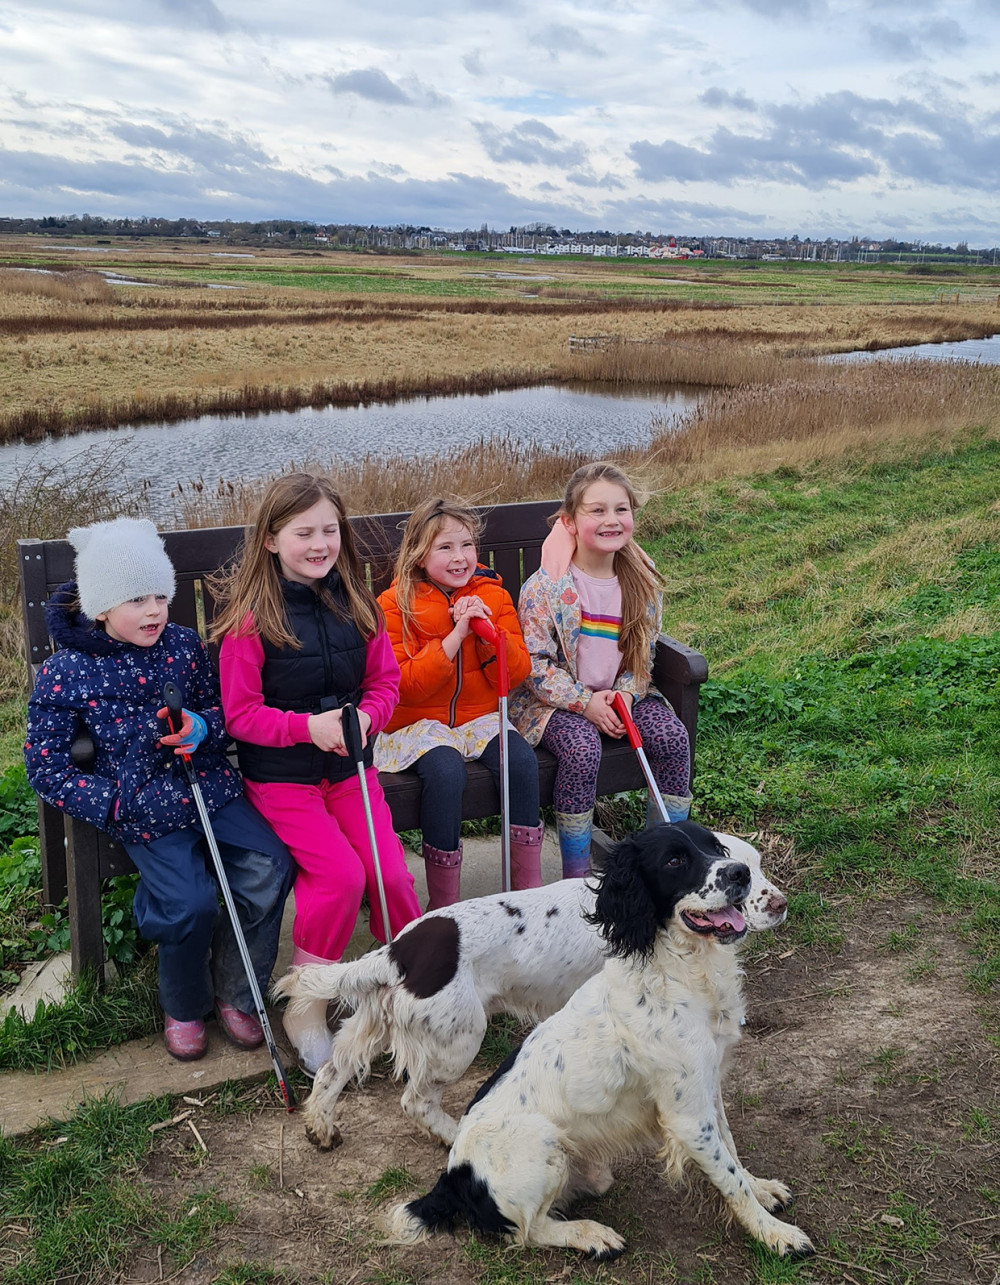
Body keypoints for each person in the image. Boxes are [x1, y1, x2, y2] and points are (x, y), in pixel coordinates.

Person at [24, 517, 294, 1063]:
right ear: (101, 608)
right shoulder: (66, 671)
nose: (153, 610)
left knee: (270, 862)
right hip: (142, 805)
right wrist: (111, 801)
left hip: (208, 788)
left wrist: (204, 729)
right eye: (135, 599)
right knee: (189, 903)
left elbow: (223, 711)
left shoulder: (184, 645)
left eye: (159, 596)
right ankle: (185, 1004)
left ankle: (237, 992)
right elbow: (45, 764)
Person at [211, 472, 421, 1074]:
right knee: (339, 876)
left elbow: (386, 682)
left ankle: (403, 988)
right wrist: (310, 727)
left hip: (352, 772)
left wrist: (366, 718)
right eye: (304, 532)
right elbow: (241, 715)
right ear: (272, 540)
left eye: (329, 530)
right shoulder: (253, 619)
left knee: (390, 876)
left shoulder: (358, 603)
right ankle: (306, 1002)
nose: (319, 543)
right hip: (283, 780)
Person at [511, 461, 692, 878]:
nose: (611, 520)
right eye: (597, 511)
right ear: (569, 522)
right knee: (582, 748)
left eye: (621, 509)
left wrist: (627, 693)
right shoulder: (545, 588)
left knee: (671, 738)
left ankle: (668, 859)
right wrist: (585, 703)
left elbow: (642, 652)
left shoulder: (639, 579)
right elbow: (534, 666)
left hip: (621, 694)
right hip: (553, 703)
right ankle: (576, 872)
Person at [376, 497, 542, 909]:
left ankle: (528, 891)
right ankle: (444, 902)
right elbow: (406, 686)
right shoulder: (394, 605)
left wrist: (487, 633)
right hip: (415, 726)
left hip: (479, 718)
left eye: (467, 545)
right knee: (447, 771)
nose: (459, 557)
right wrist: (454, 636)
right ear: (418, 553)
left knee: (519, 761)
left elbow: (514, 675)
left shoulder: (493, 596)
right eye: (445, 548)